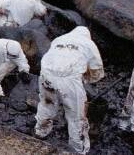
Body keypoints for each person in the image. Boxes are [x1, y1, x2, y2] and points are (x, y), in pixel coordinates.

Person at [35, 26, 104, 154]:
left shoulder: (59, 39)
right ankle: (78, 149)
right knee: (76, 116)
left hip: (46, 75)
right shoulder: (89, 44)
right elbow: (97, 71)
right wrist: (86, 79)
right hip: (69, 80)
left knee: (46, 105)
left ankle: (40, 132)